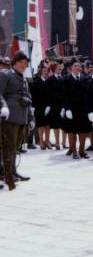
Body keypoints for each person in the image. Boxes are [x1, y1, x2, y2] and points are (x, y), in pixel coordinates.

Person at [0, 51, 34, 191]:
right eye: (21, 63)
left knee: (16, 148)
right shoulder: (5, 74)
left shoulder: (24, 79)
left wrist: (31, 118)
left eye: (26, 64)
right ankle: (7, 176)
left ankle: (13, 172)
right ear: (14, 63)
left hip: (21, 117)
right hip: (9, 117)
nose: (23, 66)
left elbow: (28, 98)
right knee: (8, 148)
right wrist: (3, 106)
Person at [62, 58, 91, 159]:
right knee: (72, 131)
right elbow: (64, 95)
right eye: (75, 66)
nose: (78, 68)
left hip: (83, 109)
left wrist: (89, 110)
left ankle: (82, 151)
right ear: (71, 68)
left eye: (79, 66)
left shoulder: (85, 78)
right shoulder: (66, 79)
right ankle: (74, 151)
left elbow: (88, 95)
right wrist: (67, 108)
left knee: (83, 131)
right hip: (71, 110)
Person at [45, 61, 66, 150]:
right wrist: (48, 105)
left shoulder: (64, 78)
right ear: (54, 69)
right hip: (54, 105)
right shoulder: (50, 80)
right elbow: (48, 93)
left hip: (63, 105)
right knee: (56, 125)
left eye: (60, 68)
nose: (60, 69)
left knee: (64, 125)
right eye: (58, 68)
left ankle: (64, 143)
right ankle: (57, 143)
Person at [31, 63, 51, 150]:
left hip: (47, 106)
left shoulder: (48, 81)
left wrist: (49, 105)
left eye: (47, 71)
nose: (45, 72)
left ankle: (47, 141)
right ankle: (41, 142)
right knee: (41, 125)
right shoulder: (36, 81)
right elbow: (33, 95)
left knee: (48, 125)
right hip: (39, 106)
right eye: (44, 71)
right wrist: (33, 106)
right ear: (40, 71)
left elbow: (51, 95)